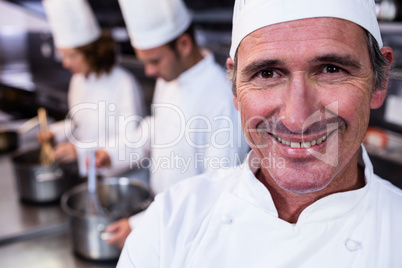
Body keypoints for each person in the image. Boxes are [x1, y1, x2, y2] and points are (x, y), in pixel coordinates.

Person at [117, 0, 402, 267]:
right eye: (267, 73)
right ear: (235, 90)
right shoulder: (167, 225)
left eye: (331, 69)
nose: (297, 118)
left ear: (380, 82)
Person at [100, 0, 249, 248]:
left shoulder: (221, 97)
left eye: (155, 61)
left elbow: (216, 190)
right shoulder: (168, 77)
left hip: (192, 233)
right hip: (161, 214)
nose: (148, 71)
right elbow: (158, 129)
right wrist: (111, 154)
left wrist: (141, 225)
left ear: (183, 44)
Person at [39, 0, 145, 178]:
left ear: (91, 52)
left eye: (71, 56)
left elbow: (130, 143)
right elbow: (79, 124)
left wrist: (79, 151)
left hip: (121, 179)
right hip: (90, 175)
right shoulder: (78, 80)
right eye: (62, 55)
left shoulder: (124, 83)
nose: (65, 63)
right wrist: (56, 133)